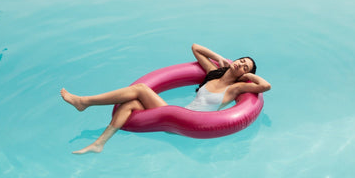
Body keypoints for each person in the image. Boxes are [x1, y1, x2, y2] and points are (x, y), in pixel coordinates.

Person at [61, 44, 271, 154]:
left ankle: (84, 102)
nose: (241, 64)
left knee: (141, 89)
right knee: (131, 104)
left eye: (245, 66)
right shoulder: (212, 73)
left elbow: (265, 86)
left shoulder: (236, 88)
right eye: (241, 60)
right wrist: (218, 58)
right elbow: (195, 47)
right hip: (180, 115)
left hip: (193, 123)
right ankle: (99, 143)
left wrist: (249, 75)